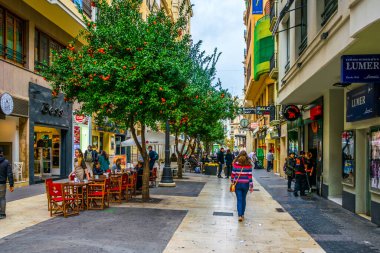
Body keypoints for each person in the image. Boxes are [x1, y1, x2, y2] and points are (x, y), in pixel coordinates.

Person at [231, 150, 253, 222]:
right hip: (245, 184)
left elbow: (233, 174)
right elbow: (250, 176)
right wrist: (251, 186)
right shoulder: (248, 164)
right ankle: (242, 214)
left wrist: (232, 182)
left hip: (237, 184)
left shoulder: (236, 164)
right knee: (243, 199)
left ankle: (240, 215)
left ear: (239, 155)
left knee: (239, 199)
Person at [0, 147, 14, 219]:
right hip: (2, 183)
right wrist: (11, 185)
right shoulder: (6, 162)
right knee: (2, 198)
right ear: (2, 153)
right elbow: (10, 174)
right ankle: (2, 214)